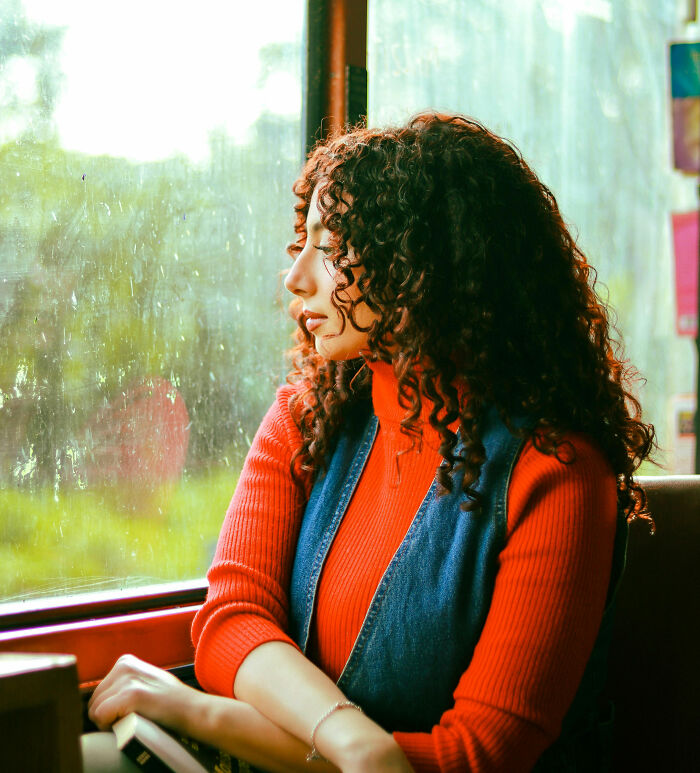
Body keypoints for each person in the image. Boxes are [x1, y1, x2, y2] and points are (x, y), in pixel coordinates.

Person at [84, 111, 655, 772]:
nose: (297, 278)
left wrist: (201, 712)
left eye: (330, 248)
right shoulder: (309, 412)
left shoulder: (557, 473)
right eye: (303, 242)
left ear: (423, 263)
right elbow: (230, 620)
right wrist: (348, 736)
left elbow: (475, 757)